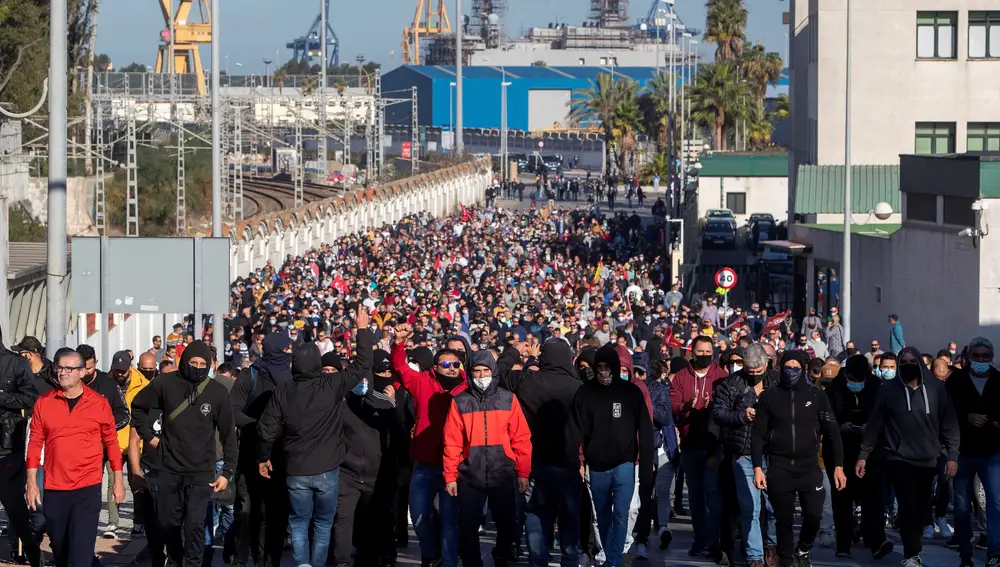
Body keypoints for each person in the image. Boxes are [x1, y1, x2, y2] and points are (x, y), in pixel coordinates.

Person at [256, 311, 375, 567]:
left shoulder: (284, 390)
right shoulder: (331, 384)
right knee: (322, 524)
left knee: (298, 522)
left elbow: (266, 428)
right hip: (327, 471)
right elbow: (363, 364)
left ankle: (302, 564)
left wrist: (263, 458)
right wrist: (362, 330)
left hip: (296, 469)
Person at [131, 340, 238, 567]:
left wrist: (227, 472)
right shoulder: (164, 384)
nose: (198, 367)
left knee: (195, 526)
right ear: (184, 361)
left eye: (203, 364)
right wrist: (149, 436)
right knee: (168, 524)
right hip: (169, 468)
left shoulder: (217, 392)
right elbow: (138, 407)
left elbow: (229, 434)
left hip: (202, 472)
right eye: (193, 362)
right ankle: (176, 559)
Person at [856, 346, 960, 567]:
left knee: (922, 506)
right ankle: (911, 554)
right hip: (898, 457)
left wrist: (952, 455)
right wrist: (863, 454)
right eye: (903, 363)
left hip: (929, 457)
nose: (907, 366)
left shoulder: (936, 389)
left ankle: (915, 545)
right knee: (907, 504)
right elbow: (875, 424)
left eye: (912, 362)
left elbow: (949, 424)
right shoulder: (889, 390)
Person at [26, 349, 125, 567]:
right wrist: (32, 482)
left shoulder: (98, 403)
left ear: (82, 372)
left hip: (86, 488)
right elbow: (34, 443)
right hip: (54, 488)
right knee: (61, 553)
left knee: (79, 556)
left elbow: (112, 443)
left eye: (70, 369)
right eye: (60, 367)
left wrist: (118, 480)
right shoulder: (44, 402)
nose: (63, 373)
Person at [751, 350, 847, 567]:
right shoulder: (769, 396)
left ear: (803, 369)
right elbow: (758, 434)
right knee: (783, 520)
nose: (791, 372)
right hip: (779, 466)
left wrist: (839, 466)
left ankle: (804, 547)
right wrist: (758, 467)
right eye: (787, 368)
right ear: (781, 368)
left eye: (796, 368)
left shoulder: (816, 396)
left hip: (809, 466)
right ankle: (786, 560)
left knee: (814, 515)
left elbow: (832, 432)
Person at [498, 339, 583, 567]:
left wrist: (517, 349)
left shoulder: (528, 380)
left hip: (534, 461)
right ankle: (570, 559)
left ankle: (538, 560)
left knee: (535, 513)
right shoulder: (578, 387)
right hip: (568, 462)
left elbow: (500, 371)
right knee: (569, 515)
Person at [567, 343, 654, 567]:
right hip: (596, 467)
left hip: (625, 464)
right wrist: (574, 461)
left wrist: (645, 466)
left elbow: (645, 429)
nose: (604, 372)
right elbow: (575, 430)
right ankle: (610, 554)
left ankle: (614, 558)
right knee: (602, 516)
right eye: (600, 367)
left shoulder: (631, 392)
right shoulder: (585, 393)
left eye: (609, 367)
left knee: (621, 514)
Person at [444, 351, 532, 567]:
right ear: (470, 373)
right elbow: (452, 441)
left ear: (493, 372)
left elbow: (521, 438)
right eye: (477, 371)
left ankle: (501, 555)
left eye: (485, 371)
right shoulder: (460, 401)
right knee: (468, 526)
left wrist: (523, 472)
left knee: (508, 525)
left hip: (501, 472)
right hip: (469, 475)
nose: (481, 375)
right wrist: (450, 476)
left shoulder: (508, 399)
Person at [391, 323, 468, 567]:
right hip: (424, 463)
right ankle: (430, 555)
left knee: (449, 519)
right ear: (435, 367)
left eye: (456, 364)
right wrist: (399, 344)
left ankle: (448, 561)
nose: (452, 368)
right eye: (446, 364)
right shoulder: (423, 381)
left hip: (453, 466)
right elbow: (400, 368)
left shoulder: (468, 386)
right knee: (420, 516)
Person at [229, 333, 295, 567]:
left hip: (282, 458)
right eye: (285, 349)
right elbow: (232, 411)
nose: (288, 353)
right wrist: (258, 427)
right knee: (248, 513)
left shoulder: (294, 377)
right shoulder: (251, 376)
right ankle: (242, 558)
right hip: (251, 455)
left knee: (276, 515)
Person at [712, 344, 777, 567]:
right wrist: (741, 415)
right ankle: (755, 556)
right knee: (750, 507)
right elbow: (718, 412)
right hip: (744, 453)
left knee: (773, 506)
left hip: (774, 453)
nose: (755, 375)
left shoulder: (777, 382)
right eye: (750, 371)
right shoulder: (732, 383)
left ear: (766, 364)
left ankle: (771, 545)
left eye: (758, 371)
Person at [823, 354, 892, 559]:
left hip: (870, 453)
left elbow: (882, 418)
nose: (856, 385)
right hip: (841, 452)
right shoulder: (833, 389)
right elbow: (826, 419)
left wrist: (869, 429)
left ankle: (877, 541)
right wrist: (840, 426)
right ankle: (843, 544)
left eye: (859, 381)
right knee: (842, 499)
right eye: (852, 381)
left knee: (873, 499)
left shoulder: (876, 388)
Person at [669, 335, 728, 558]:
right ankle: (700, 539)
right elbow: (673, 403)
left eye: (707, 352)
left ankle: (714, 541)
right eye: (700, 352)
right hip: (690, 444)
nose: (704, 355)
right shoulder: (682, 377)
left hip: (714, 445)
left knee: (713, 494)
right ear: (692, 352)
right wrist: (686, 406)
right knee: (695, 496)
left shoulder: (721, 376)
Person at [946, 337, 1000, 567]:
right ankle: (965, 552)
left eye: (985, 356)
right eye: (976, 356)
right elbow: (946, 412)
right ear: (968, 357)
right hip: (963, 450)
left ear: (991, 358)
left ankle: (995, 552)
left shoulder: (998, 380)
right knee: (961, 505)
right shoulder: (956, 380)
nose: (980, 360)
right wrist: (966, 417)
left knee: (995, 503)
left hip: (992, 451)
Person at [0, 327, 42, 567]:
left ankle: (32, 552)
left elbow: (32, 397)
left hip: (7, 444)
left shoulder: (15, 363)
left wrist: (2, 398)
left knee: (15, 507)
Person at [109, 350, 152, 536]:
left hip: (137, 444)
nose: (119, 374)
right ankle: (113, 523)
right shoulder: (106, 383)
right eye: (116, 370)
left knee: (137, 482)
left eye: (123, 371)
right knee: (113, 482)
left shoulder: (144, 384)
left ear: (130, 368)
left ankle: (139, 522)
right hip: (113, 443)